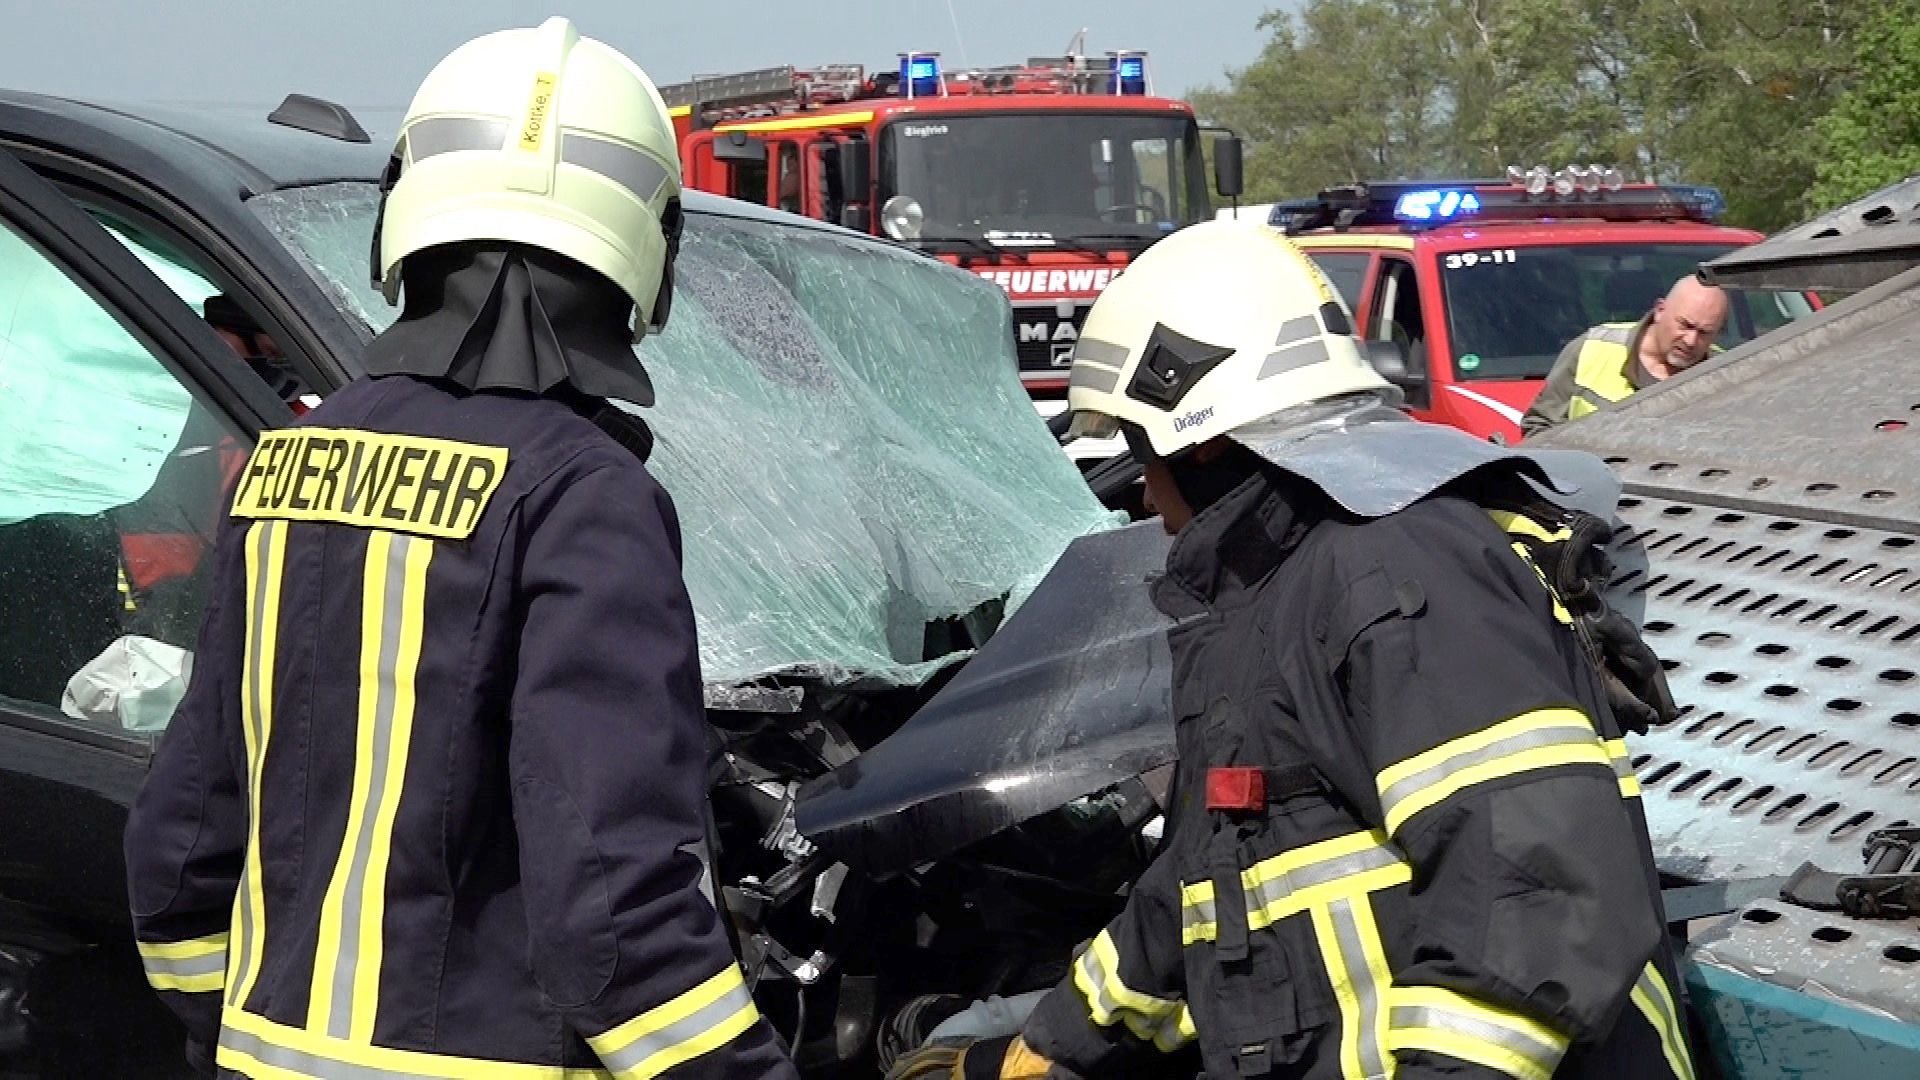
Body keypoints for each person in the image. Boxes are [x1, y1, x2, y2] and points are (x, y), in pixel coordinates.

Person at [122, 17, 798, 1079]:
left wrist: (224, 1024)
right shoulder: (585, 494)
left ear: (404, 213)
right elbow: (615, 908)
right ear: (647, 243)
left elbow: (182, 843)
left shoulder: (288, 464)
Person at [888, 221, 1691, 1080]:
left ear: (1193, 435)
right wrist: (1031, 1059)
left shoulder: (1397, 571)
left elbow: (1539, 887)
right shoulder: (1271, 594)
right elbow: (1204, 890)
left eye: (1137, 449)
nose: (1143, 496)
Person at [1521, 274, 1729, 436]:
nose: (1691, 340)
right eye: (1685, 325)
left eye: (1704, 332)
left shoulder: (1730, 373)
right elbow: (1540, 429)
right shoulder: (1592, 349)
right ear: (1660, 310)